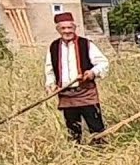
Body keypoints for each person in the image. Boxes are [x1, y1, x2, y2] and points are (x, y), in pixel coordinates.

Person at [44, 11, 110, 143]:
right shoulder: (54, 47)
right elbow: (49, 69)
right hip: (66, 95)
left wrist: (92, 72)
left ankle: (101, 151)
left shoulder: (86, 44)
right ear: (58, 29)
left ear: (75, 28)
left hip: (86, 93)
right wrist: (50, 84)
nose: (67, 31)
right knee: (73, 130)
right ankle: (76, 153)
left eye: (70, 27)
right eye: (63, 28)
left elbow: (103, 62)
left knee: (96, 127)